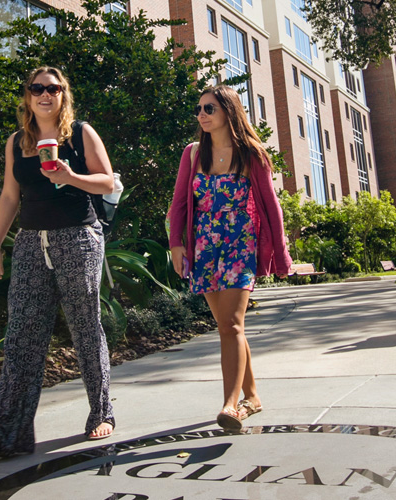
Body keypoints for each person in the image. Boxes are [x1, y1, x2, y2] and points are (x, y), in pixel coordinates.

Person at [0, 67, 116, 457]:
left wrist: (70, 175)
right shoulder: (16, 142)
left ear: (64, 94)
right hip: (30, 241)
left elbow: (108, 181)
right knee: (22, 336)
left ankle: (101, 413)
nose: (45, 94)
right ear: (27, 96)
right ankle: (4, 432)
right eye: (37, 88)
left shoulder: (80, 133)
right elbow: (11, 196)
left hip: (77, 236)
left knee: (84, 326)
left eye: (53, 88)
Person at [168, 85, 294, 430]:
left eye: (209, 108)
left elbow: (271, 206)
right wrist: (176, 245)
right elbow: (179, 203)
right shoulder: (193, 154)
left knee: (232, 325)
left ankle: (230, 405)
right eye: (199, 109)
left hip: (240, 245)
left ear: (228, 111)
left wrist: (281, 256)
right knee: (228, 327)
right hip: (204, 247)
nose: (201, 115)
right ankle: (252, 396)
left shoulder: (251, 154)